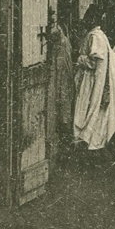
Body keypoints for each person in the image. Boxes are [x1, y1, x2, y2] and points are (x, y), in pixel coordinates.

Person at [73, 5, 115, 151]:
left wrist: (80, 59)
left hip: (93, 80)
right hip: (92, 79)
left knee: (91, 109)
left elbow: (95, 61)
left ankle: (90, 142)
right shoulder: (96, 35)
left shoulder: (95, 36)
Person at [47, 13, 74, 148]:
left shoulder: (63, 42)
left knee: (63, 106)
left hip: (62, 76)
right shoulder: (62, 40)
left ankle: (65, 140)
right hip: (58, 76)